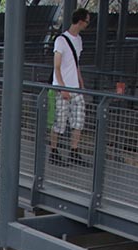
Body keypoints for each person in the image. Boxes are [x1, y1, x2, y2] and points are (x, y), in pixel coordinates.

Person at [49, 9, 90, 166]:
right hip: (63, 88)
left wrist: (80, 81)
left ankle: (74, 151)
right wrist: (63, 88)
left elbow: (76, 63)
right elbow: (57, 67)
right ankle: (54, 150)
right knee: (60, 121)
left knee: (78, 120)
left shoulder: (78, 40)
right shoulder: (61, 41)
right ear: (80, 21)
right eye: (87, 21)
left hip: (75, 88)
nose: (87, 24)